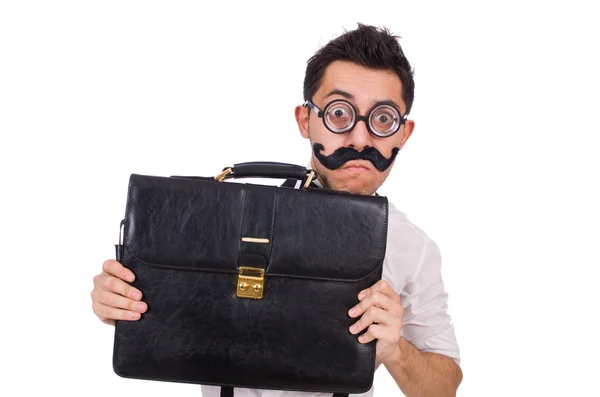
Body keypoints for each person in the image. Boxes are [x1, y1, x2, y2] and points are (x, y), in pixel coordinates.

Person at [91, 23, 463, 397]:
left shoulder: (413, 248)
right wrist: (123, 302)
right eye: (339, 113)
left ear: (403, 133)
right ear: (306, 120)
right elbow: (175, 312)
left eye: (383, 119)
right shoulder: (223, 217)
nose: (361, 138)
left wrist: (395, 350)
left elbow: (445, 387)